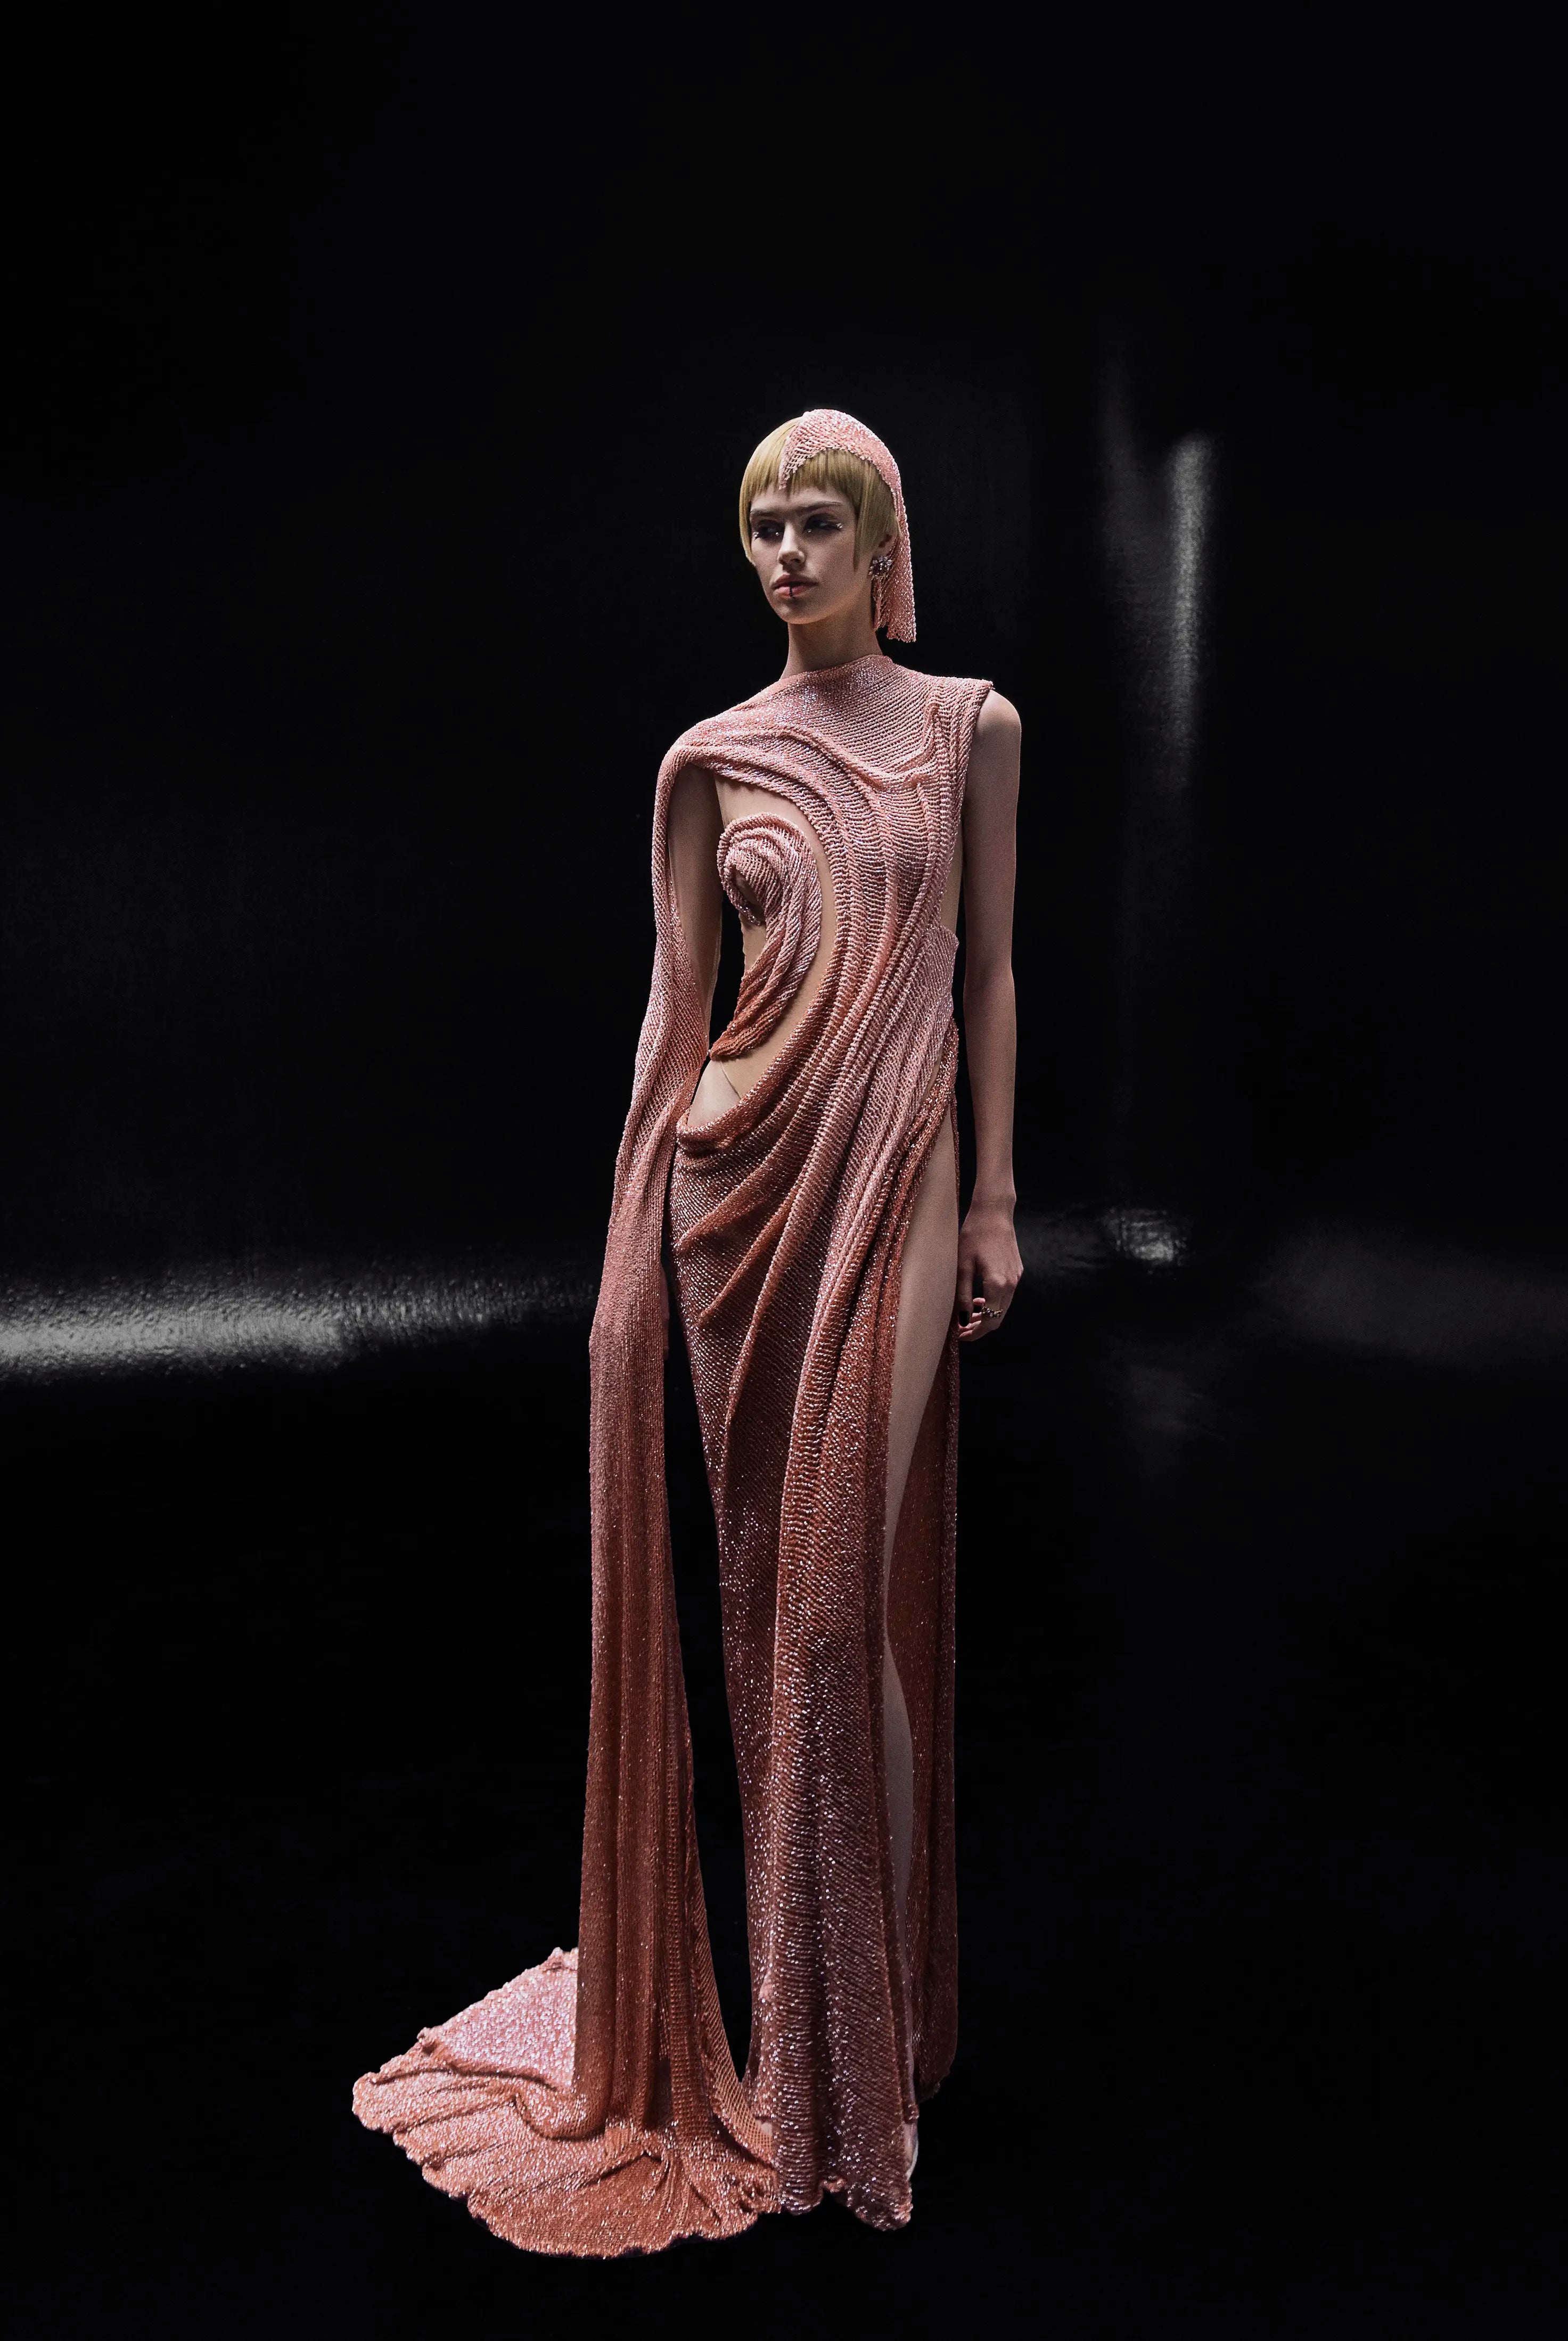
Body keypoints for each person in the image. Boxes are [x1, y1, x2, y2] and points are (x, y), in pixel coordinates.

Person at [353, 409, 1023, 2257]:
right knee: (767, 1613)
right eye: (763, 526)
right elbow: (673, 1021)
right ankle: (832, 2039)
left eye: (819, 523)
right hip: (728, 1198)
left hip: (897, 1175)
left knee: (833, 1611)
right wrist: (625, 1261)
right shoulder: (707, 761)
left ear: (883, 542)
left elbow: (985, 971)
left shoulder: (970, 728)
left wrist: (994, 1195)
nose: (787, 553)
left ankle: (865, 2043)